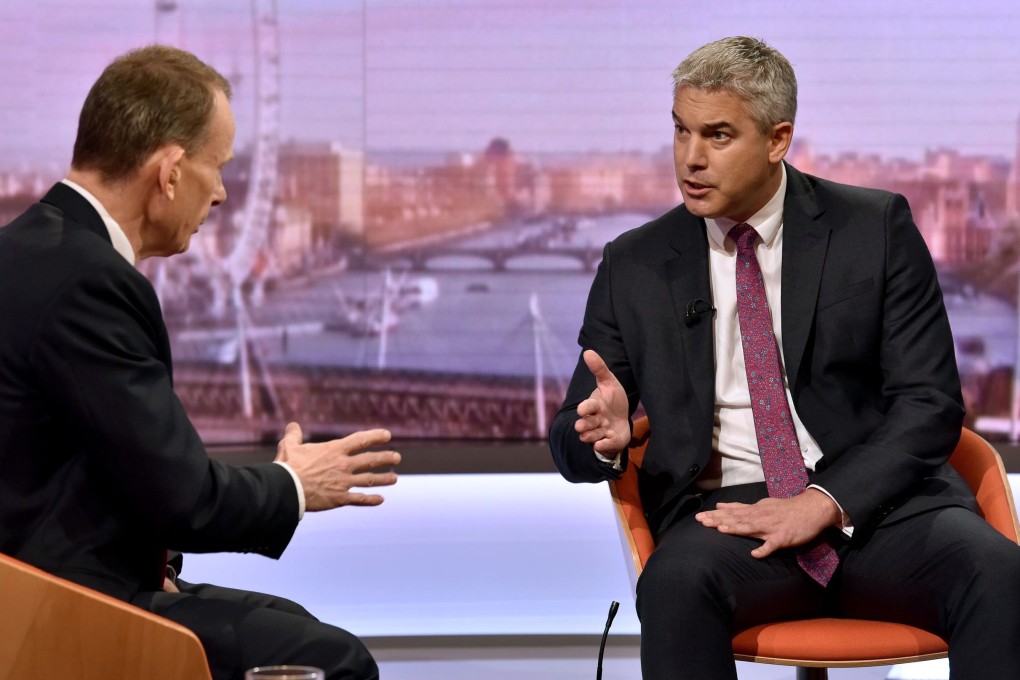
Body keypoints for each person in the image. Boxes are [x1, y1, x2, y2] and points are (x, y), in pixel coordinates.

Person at [549, 36, 1020, 679]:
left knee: (998, 574)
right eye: (681, 131)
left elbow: (930, 404)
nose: (690, 158)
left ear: (778, 140)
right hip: (729, 519)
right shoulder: (634, 264)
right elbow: (571, 445)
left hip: (878, 507)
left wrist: (823, 500)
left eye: (718, 135)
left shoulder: (874, 228)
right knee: (674, 585)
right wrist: (598, 437)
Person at [0, 45, 399, 680]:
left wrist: (159, 564)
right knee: (335, 662)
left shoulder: (33, 248)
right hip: (56, 608)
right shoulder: (88, 281)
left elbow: (104, 466)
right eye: (218, 167)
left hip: (43, 586)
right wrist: (296, 486)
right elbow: (180, 495)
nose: (220, 194)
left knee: (293, 625)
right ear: (169, 171)